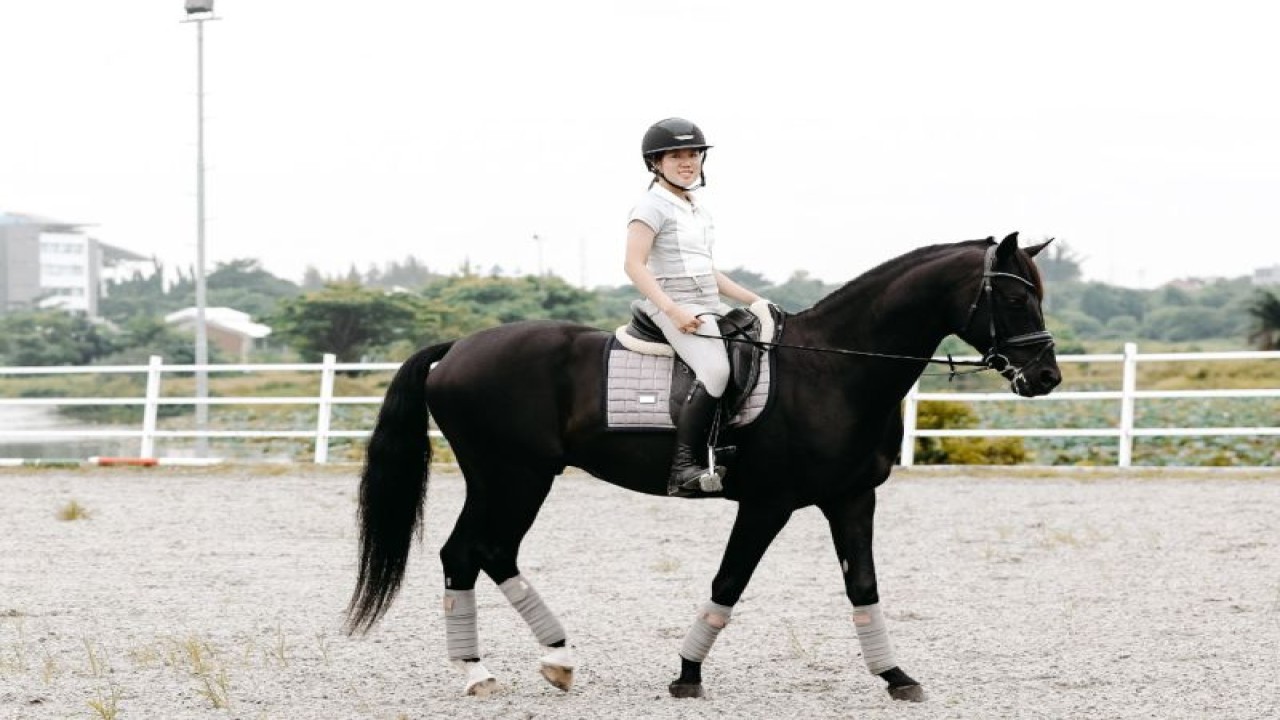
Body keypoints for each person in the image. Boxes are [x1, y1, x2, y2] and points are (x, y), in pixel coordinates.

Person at [623, 117, 766, 497]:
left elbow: (709, 272)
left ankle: (729, 442)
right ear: (656, 163)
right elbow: (634, 265)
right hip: (672, 304)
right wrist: (672, 310)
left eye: (693, 155)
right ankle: (683, 467)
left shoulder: (696, 209)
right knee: (715, 370)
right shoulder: (650, 206)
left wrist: (755, 301)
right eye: (676, 156)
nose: (687, 162)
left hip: (708, 303)